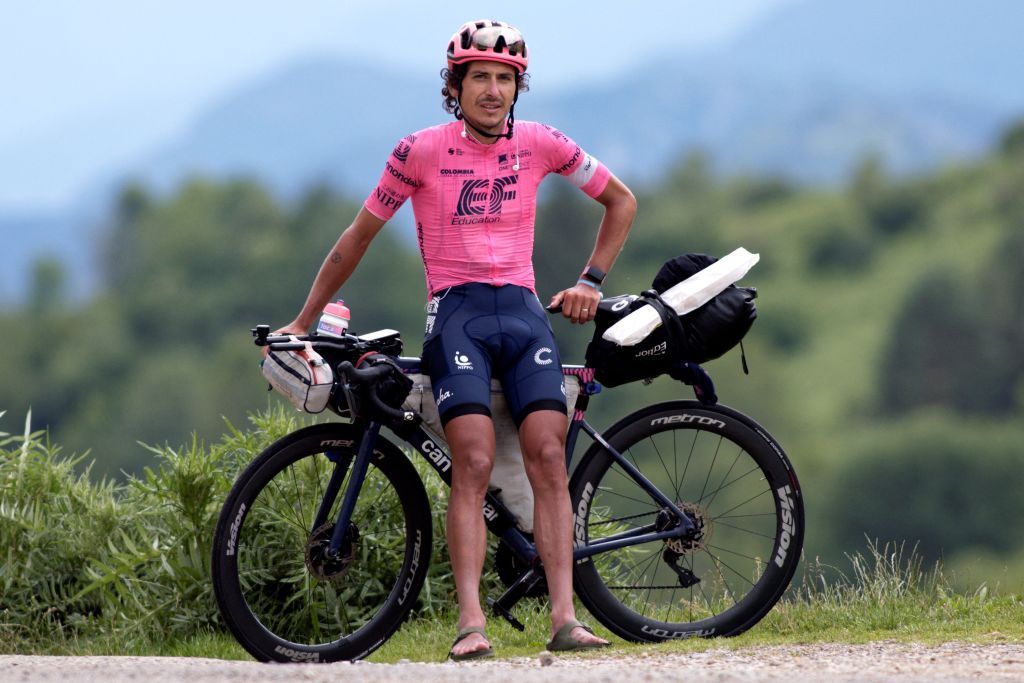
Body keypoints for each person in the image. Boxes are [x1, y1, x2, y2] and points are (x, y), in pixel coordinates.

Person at [274, 19, 636, 659]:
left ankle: (565, 618)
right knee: (469, 462)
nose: (493, 90)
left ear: (517, 87)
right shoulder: (418, 151)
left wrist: (590, 280)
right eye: (480, 78)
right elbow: (355, 238)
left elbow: (622, 201)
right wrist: (304, 321)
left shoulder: (541, 142)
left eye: (504, 79)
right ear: (456, 85)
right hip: (456, 315)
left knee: (549, 459)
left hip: (526, 315)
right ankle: (471, 625)